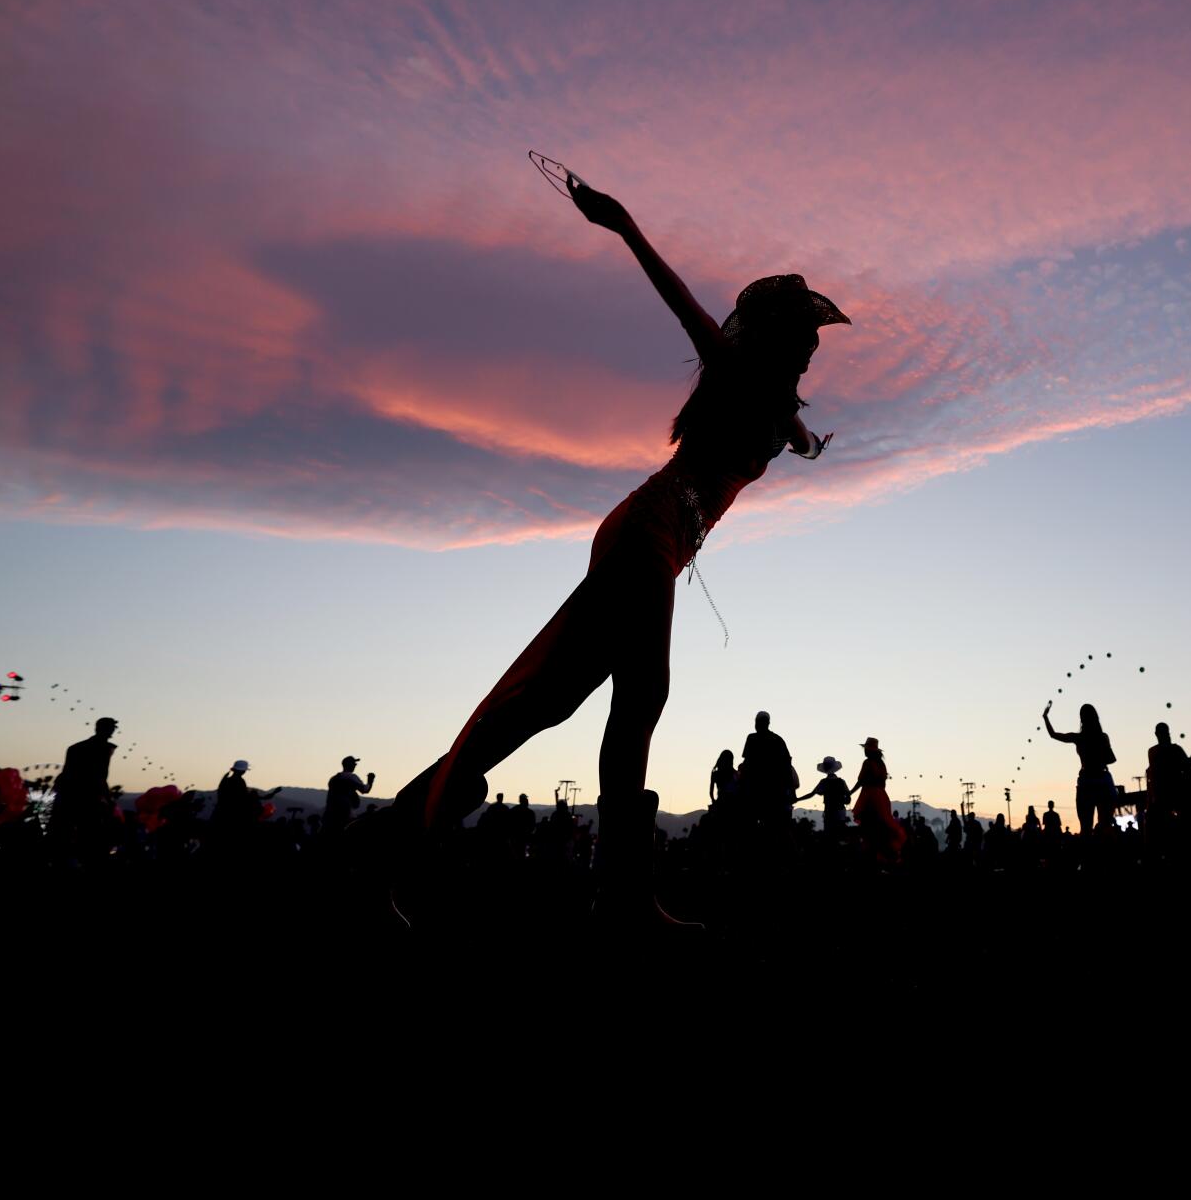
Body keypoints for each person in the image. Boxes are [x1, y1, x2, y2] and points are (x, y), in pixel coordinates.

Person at [362, 172, 848, 928]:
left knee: (546, 703)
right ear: (777, 338)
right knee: (642, 693)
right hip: (646, 532)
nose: (814, 351)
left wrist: (811, 444)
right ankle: (620, 891)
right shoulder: (736, 370)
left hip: (656, 542)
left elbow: (792, 431)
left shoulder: (779, 405)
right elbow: (686, 309)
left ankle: (384, 839)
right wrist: (624, 225)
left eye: (816, 343)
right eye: (806, 339)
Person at [1042, 701, 1118, 834]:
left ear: (1081, 719)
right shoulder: (1102, 737)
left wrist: (1045, 717)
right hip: (1102, 780)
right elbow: (1111, 759)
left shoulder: (1078, 738)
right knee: (1106, 825)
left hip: (1086, 781)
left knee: (1086, 827)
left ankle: (1087, 853)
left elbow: (1054, 735)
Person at [51, 717, 119, 856]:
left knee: (67, 831)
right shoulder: (103, 749)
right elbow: (99, 776)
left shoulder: (76, 747)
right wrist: (107, 797)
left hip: (70, 795)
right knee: (88, 833)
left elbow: (67, 772)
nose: (113, 730)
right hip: (86, 797)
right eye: (111, 727)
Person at [739, 711, 800, 840]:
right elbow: (787, 765)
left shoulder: (752, 739)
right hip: (774, 791)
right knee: (772, 827)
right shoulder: (778, 740)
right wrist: (792, 791)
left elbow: (747, 763)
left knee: (753, 827)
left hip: (756, 790)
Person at [850, 738, 907, 865]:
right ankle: (888, 855)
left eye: (866, 749)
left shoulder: (867, 763)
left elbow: (861, 781)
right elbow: (883, 783)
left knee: (869, 828)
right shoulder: (881, 764)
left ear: (869, 750)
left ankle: (873, 857)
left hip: (870, 796)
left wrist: (850, 793)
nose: (864, 751)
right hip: (882, 796)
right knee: (883, 826)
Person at [1144, 721, 1191, 837]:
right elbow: (1188, 769)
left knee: (1165, 831)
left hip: (1161, 796)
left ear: (1156, 734)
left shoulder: (1152, 751)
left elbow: (1152, 776)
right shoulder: (1176, 749)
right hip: (1176, 793)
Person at [797, 756, 852, 836]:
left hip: (829, 811)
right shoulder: (841, 782)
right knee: (840, 833)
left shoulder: (824, 782)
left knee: (829, 833)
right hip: (840, 811)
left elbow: (812, 794)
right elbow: (848, 797)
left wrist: (798, 799)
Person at [322, 755, 375, 835]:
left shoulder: (333, 778)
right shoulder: (351, 777)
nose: (355, 765)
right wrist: (370, 781)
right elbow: (364, 790)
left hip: (331, 815)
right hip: (346, 814)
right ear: (348, 764)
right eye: (354, 763)